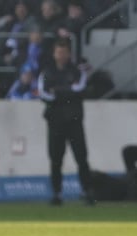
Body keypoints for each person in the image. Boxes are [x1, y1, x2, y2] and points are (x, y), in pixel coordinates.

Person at [38, 37, 92, 205]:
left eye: (64, 52)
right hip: (55, 122)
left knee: (81, 157)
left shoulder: (77, 71)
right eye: (58, 52)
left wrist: (58, 92)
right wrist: (67, 91)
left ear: (69, 54)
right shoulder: (46, 72)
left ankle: (87, 191)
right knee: (55, 159)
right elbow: (44, 94)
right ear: (54, 54)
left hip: (74, 120)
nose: (61, 55)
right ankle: (57, 193)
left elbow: (79, 89)